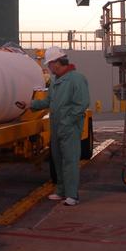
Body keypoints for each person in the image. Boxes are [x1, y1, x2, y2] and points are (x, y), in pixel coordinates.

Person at [22, 46, 90, 206]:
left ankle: (72, 195)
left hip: (70, 128)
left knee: (70, 161)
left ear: (57, 62)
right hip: (57, 126)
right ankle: (61, 191)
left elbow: (82, 104)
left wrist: (68, 121)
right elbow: (48, 102)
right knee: (58, 160)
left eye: (50, 64)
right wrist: (30, 104)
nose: (48, 67)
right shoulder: (55, 81)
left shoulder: (77, 79)